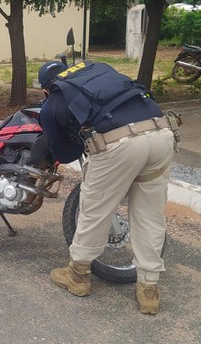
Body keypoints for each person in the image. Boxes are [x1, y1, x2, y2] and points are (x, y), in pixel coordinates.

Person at [37, 60, 177, 315]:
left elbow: (65, 154)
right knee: (150, 216)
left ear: (47, 89)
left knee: (95, 208)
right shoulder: (98, 70)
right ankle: (149, 290)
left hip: (119, 145)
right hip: (162, 133)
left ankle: (78, 276)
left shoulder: (53, 101)